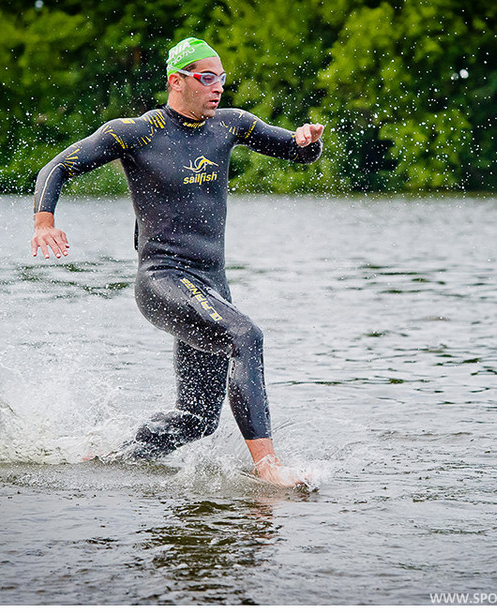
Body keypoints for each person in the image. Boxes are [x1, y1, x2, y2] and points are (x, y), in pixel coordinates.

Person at [31, 37, 324, 488]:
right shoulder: (138, 131)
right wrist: (44, 220)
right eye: (207, 78)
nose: (218, 87)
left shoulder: (230, 125)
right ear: (176, 81)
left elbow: (293, 150)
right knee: (245, 335)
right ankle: (269, 469)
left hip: (211, 286)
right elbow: (57, 167)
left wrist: (307, 142)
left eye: (221, 78)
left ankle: (109, 461)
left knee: (197, 419)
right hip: (162, 278)